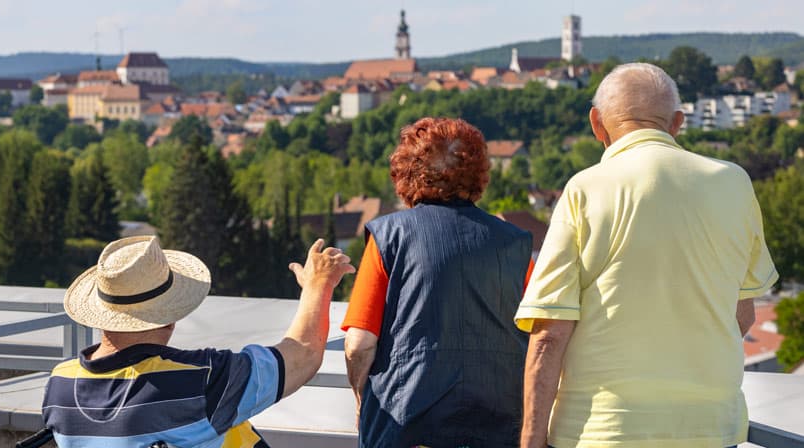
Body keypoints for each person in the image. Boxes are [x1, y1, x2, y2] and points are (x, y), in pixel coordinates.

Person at [515, 63, 778, 448]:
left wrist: (530, 440)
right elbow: (742, 314)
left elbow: (550, 335)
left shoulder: (584, 190)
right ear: (676, 123)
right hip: (710, 428)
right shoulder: (734, 183)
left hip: (602, 430)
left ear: (597, 123)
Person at [42, 235, 355, 447]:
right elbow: (302, 356)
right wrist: (319, 285)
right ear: (170, 312)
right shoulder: (198, 380)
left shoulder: (60, 385)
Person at [343, 117, 534, 447]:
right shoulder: (516, 245)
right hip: (500, 427)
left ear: (406, 172)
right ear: (478, 173)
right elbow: (536, 339)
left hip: (405, 426)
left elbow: (359, 345)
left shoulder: (390, 237)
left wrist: (362, 400)